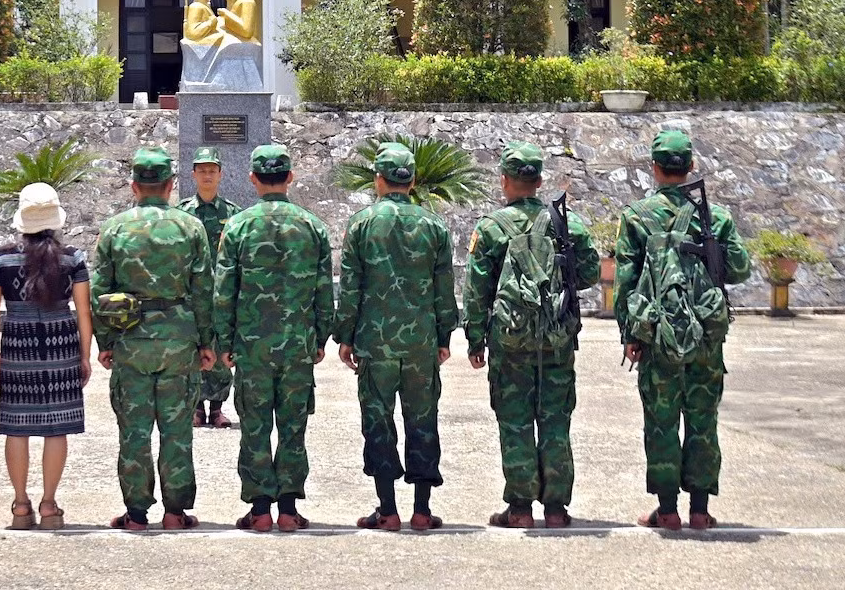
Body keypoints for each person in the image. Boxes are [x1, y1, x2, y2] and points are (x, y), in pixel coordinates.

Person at [616, 130, 752, 531]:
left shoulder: (636, 217)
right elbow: (740, 269)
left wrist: (631, 335)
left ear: (655, 169)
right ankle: (700, 509)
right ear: (690, 166)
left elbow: (626, 282)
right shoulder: (717, 216)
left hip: (657, 334)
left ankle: (667, 509)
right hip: (706, 336)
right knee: (702, 419)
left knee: (661, 420)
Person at [463, 142, 600, 529]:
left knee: (515, 421)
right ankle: (556, 509)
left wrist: (475, 340)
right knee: (556, 419)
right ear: (539, 181)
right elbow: (589, 273)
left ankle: (520, 508)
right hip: (556, 337)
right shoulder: (566, 224)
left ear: (504, 181)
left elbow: (477, 290)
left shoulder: (491, 228)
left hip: (510, 341)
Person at [333, 142, 458, 532]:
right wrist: (444, 337)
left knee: (379, 421)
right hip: (420, 342)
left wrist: (345, 335)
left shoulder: (362, 224)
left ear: (378, 180)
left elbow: (351, 287)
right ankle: (422, 510)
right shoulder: (434, 225)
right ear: (413, 181)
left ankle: (387, 510)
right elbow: (444, 289)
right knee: (423, 421)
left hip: (375, 342)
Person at [90, 147, 215, 531]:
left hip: (131, 340)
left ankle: (136, 513)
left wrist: (106, 341)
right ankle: (176, 513)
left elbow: (99, 291)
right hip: (179, 340)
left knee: (135, 430)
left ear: (134, 185)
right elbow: (204, 288)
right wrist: (207, 341)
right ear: (171, 186)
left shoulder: (115, 229)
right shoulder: (190, 227)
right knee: (177, 429)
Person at [214, 144, 334, 532]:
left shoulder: (237, 226)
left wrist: (225, 341)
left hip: (252, 344)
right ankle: (288, 508)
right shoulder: (313, 226)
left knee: (255, 426)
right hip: (297, 344)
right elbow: (323, 291)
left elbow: (223, 291)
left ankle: (260, 508)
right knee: (293, 426)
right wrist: (320, 338)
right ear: (290, 177)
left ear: (252, 179)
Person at [0, 183, 93, 531]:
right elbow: (84, 312)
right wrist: (84, 355)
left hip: (18, 340)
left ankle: (20, 505)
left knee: (17, 428)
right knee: (55, 428)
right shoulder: (72, 258)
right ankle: (49, 505)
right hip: (62, 341)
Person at [179, 146, 241, 429]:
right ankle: (194, 407)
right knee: (192, 349)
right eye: (202, 170)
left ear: (220, 174)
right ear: (193, 174)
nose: (207, 175)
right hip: (191, 295)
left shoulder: (233, 214)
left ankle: (216, 408)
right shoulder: (181, 214)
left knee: (220, 349)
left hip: (222, 295)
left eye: (212, 170)